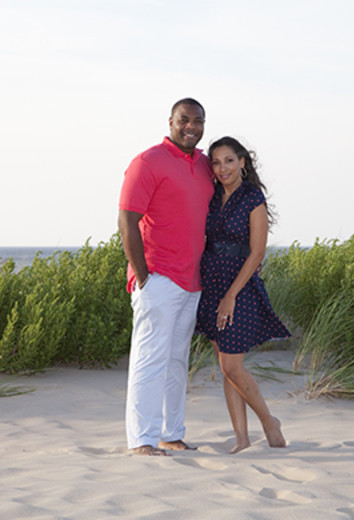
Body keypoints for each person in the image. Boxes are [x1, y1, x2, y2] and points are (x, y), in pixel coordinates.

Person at [118, 98, 215, 456]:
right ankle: (141, 440)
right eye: (184, 120)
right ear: (171, 121)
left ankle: (171, 433)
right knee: (149, 359)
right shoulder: (147, 162)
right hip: (159, 278)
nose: (191, 127)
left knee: (177, 361)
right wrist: (144, 277)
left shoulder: (205, 165)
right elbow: (127, 220)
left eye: (198, 121)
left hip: (192, 281)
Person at [196, 136, 291, 454]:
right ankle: (241, 439)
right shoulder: (211, 197)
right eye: (217, 162)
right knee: (225, 364)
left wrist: (231, 295)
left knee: (232, 366)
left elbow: (257, 251)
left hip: (240, 286)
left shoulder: (253, 198)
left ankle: (268, 422)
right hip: (210, 282)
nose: (222, 168)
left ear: (242, 162)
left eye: (229, 160)